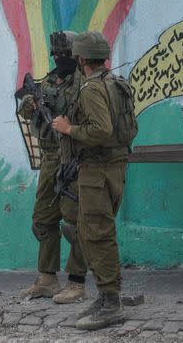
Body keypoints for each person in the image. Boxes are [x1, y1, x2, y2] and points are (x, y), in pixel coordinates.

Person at [52, 31, 137, 330]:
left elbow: (100, 130)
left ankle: (111, 303)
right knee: (96, 232)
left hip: (97, 171)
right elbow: (129, 128)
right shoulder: (116, 83)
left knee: (95, 234)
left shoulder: (91, 88)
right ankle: (105, 296)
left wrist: (68, 129)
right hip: (114, 167)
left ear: (81, 59)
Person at [18, 31, 87, 304]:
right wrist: (29, 103)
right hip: (49, 157)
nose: (60, 59)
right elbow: (27, 113)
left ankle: (77, 282)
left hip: (72, 156)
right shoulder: (46, 81)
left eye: (65, 54)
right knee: (43, 220)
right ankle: (47, 279)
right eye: (57, 54)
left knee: (73, 223)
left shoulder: (84, 82)